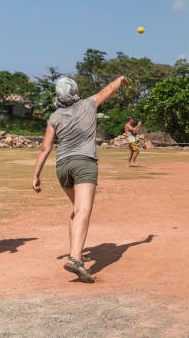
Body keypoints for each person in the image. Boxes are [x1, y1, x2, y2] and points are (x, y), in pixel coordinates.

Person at [32, 75, 129, 283]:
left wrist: (36, 174)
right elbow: (108, 90)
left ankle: (75, 252)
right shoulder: (88, 104)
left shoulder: (55, 116)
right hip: (84, 163)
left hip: (62, 167)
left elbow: (45, 147)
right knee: (84, 210)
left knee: (77, 210)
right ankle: (75, 258)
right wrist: (120, 80)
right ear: (76, 91)